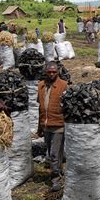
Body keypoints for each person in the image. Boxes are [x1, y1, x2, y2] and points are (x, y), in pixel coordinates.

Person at [37, 62, 67, 192]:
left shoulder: (63, 85)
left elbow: (67, 107)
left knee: (55, 153)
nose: (51, 74)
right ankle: (58, 171)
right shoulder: (41, 86)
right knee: (51, 153)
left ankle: (56, 179)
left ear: (58, 72)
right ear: (45, 72)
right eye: (49, 72)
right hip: (46, 125)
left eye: (54, 72)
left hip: (58, 125)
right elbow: (40, 107)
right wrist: (40, 127)